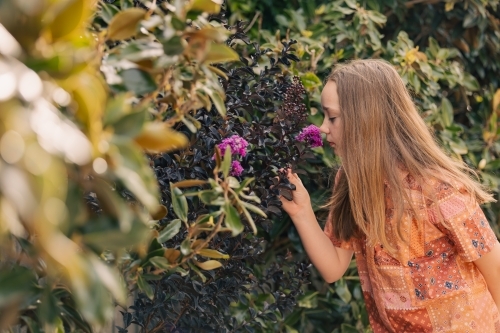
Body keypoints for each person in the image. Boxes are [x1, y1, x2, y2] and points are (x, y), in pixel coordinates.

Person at [279, 59, 500, 332]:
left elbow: (496, 271)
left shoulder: (438, 189)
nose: (323, 128)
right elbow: (334, 266)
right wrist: (301, 212)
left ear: (366, 120)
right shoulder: (351, 182)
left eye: (332, 117)